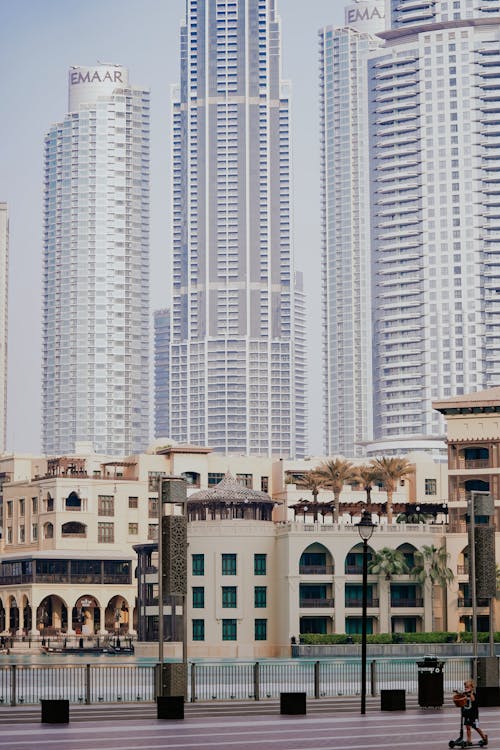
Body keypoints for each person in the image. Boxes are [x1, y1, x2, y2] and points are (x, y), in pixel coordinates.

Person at [462, 679, 488, 746]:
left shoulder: (473, 694)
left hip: (473, 714)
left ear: (471, 688)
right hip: (467, 713)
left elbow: (473, 700)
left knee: (476, 727)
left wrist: (470, 693)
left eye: (467, 687)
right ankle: (469, 740)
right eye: (465, 687)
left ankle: (484, 738)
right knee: (468, 727)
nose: (466, 688)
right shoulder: (465, 694)